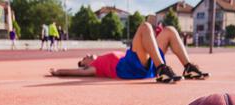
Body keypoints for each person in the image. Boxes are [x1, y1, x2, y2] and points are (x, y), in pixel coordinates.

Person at [49, 22, 209, 83]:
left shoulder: (102, 58)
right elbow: (77, 73)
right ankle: (162, 70)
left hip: (142, 61)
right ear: (85, 65)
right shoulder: (95, 67)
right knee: (144, 26)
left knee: (169, 30)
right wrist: (58, 72)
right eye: (84, 58)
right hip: (129, 67)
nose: (88, 56)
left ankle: (188, 68)